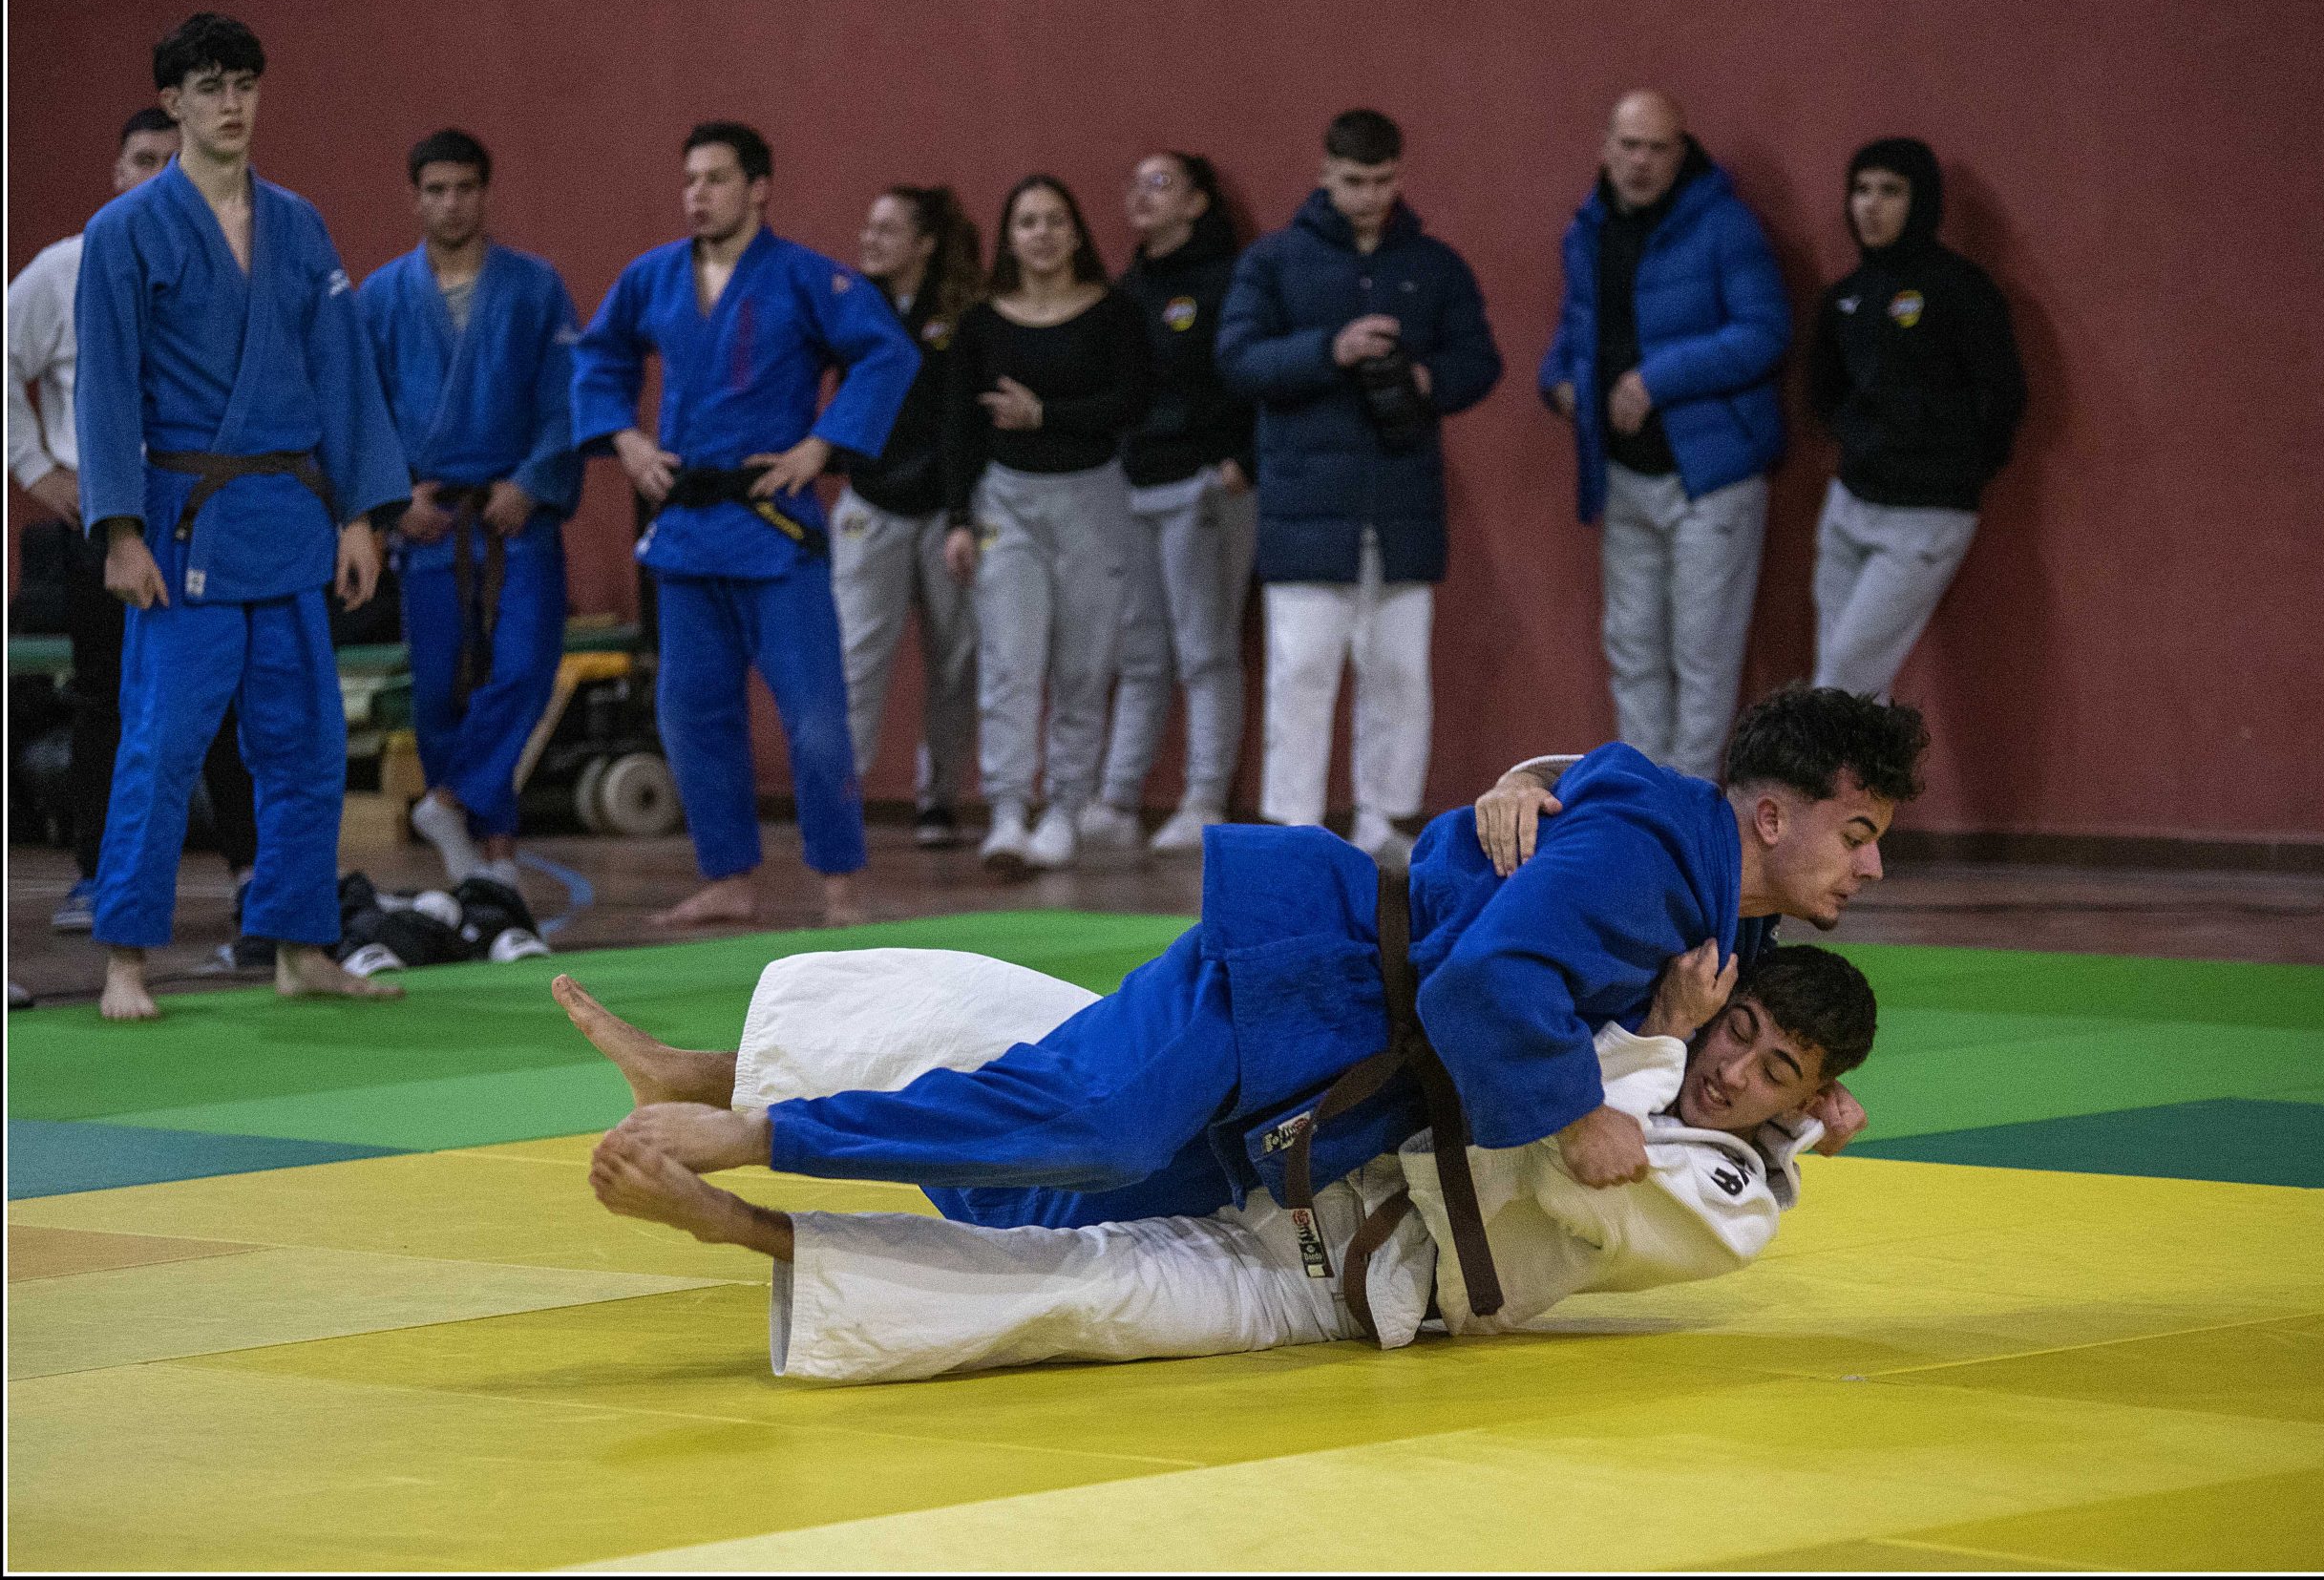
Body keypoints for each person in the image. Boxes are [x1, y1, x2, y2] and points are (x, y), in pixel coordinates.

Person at [571, 686, 1920, 1269]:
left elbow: (1740, 1036)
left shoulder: (1713, 899)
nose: (1868, 865)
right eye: (1856, 831)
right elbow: (1485, 984)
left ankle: (731, 1102)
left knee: (1053, 1201)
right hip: (1301, 968)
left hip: (1339, 1073)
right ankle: (752, 1131)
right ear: (1770, 812)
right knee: (1097, 1123)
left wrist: (1806, 1112)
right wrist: (1573, 1109)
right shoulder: (1651, 855)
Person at [571, 935, 1871, 1384]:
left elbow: (1566, 1163)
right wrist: (1522, 785)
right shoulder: (1648, 1021)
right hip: (1323, 1136)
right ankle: (717, 1075)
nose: (1733, 1072)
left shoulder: (1734, 1197)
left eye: (1775, 1073)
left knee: (1085, 1288)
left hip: (1337, 1275)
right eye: (1739, 1031)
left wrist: (1662, 1034)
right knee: (1062, 1044)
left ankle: (734, 1220)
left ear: (1804, 1102)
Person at [74, 12, 412, 1021]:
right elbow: (105, 389)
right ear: (172, 101)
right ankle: (125, 957)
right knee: (163, 743)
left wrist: (360, 514)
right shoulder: (126, 231)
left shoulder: (299, 224)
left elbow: (343, 372)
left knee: (308, 746)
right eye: (210, 86)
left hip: (292, 517)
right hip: (186, 526)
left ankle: (300, 943)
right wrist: (119, 529)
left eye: (245, 84)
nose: (231, 104)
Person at [571, 121, 919, 929]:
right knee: (691, 714)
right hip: (688, 534)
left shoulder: (804, 276)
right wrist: (626, 439)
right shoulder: (653, 276)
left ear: (759, 188)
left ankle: (842, 884)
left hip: (774, 529)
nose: (698, 194)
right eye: (690, 179)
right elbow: (598, 355)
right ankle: (728, 876)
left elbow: (887, 354)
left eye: (717, 179)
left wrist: (821, 445)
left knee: (817, 721)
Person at [10, 105, 268, 965]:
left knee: (228, 692)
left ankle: (251, 870)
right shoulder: (68, 265)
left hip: (207, 506)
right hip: (108, 513)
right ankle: (98, 873)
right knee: (106, 697)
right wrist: (38, 468)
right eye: (142, 159)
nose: (158, 173)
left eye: (171, 158)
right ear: (117, 174)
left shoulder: (234, 256)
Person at [1215, 109, 1502, 863]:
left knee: (1400, 673)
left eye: (1383, 181)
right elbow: (1237, 358)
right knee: (1301, 672)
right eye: (1354, 181)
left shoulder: (1433, 265)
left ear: (1400, 175)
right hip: (1305, 504)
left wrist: (1424, 377)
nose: (1370, 196)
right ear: (1324, 173)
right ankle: (1296, 829)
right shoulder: (1274, 262)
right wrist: (1330, 349)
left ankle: (1387, 820)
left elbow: (1481, 361)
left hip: (1402, 503)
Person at [1539, 90, 1792, 781]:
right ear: (1605, 148)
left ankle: (1690, 799)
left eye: (1657, 148)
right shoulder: (1588, 229)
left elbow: (1765, 331)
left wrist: (1657, 379)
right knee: (1632, 645)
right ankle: (1645, 796)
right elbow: (1577, 328)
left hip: (1710, 475)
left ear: (1682, 154)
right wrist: (1557, 380)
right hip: (1623, 472)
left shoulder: (1725, 225)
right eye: (1629, 146)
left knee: (1703, 650)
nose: (1641, 162)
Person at [361, 128, 582, 893]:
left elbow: (566, 398)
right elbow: (360, 411)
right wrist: (393, 500)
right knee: (440, 690)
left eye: (464, 188)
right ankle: (489, 859)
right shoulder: (381, 297)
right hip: (430, 518)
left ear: (485, 194)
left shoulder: (535, 287)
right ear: (415, 198)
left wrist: (533, 481)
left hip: (517, 512)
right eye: (436, 190)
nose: (451, 203)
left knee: (523, 669)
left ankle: (450, 803)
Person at [940, 175, 1154, 874]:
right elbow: (959, 425)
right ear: (1008, 237)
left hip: (1093, 500)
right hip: (1006, 503)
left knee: (1084, 667)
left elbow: (1131, 402)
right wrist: (957, 518)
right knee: (1009, 663)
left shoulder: (1113, 313)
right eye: (1027, 221)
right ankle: (1007, 809)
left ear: (1076, 232)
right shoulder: (981, 323)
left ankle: (1065, 807)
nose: (1042, 234)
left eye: (1055, 220)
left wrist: (1046, 415)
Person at [1076, 152, 1258, 856]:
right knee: (1140, 649)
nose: (1141, 195)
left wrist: (1239, 456)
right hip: (1133, 483)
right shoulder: (1128, 288)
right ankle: (1117, 798)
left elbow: (1243, 376)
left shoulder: (1229, 281)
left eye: (1160, 184)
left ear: (1197, 202)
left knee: (1205, 648)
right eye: (1135, 182)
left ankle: (1204, 799)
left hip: (1203, 484)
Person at [1808, 137, 2027, 699]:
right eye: (1861, 190)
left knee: (1841, 683)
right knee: (1849, 688)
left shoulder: (1961, 289)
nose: (1871, 205)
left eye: (1890, 191)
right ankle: (1870, 765)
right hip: (1850, 503)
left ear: (1921, 200)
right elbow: (1823, 392)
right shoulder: (1846, 297)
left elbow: (2002, 395)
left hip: (1925, 517)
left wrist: (1954, 469)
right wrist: (1861, 441)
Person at [832, 185, 982, 849]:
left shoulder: (958, 316)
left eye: (887, 229)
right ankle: (841, 804)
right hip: (870, 504)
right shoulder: (849, 308)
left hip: (946, 510)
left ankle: (938, 799)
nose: (870, 239)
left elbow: (958, 421)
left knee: (954, 659)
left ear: (924, 244)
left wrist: (959, 511)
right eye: (868, 226)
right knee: (857, 658)